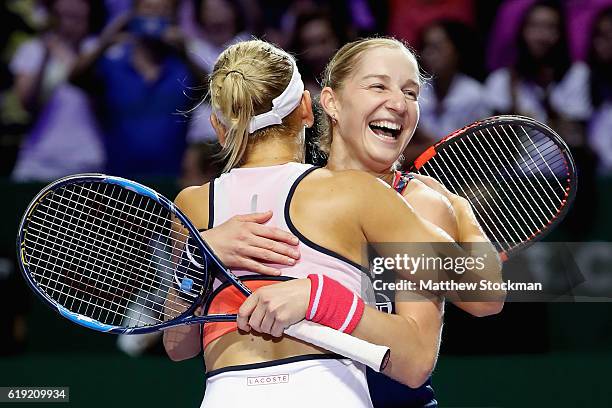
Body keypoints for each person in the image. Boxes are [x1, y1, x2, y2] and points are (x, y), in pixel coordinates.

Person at [162, 39, 503, 408]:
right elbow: (179, 344)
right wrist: (199, 259)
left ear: (219, 127)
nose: (399, 103)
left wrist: (201, 257)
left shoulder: (192, 206)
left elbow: (177, 345)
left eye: (410, 92)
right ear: (315, 106)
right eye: (378, 85)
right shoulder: (356, 194)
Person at [71, 0, 204, 179]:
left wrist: (185, 52)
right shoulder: (113, 64)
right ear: (133, 15)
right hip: (120, 182)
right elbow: (75, 78)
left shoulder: (183, 67)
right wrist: (106, 40)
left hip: (172, 179)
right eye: (149, 9)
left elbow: (214, 92)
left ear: (173, 18)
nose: (155, 15)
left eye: (163, 10)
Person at [10, 0, 107, 181]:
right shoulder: (32, 50)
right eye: (67, 17)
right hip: (37, 162)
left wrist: (63, 54)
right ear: (53, 17)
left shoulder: (97, 50)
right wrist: (45, 55)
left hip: (87, 160)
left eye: (79, 18)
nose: (72, 24)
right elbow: (26, 102)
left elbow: (102, 98)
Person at [406, 20, 490, 163]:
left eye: (437, 48)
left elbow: (474, 148)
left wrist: (429, 146)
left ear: (457, 51)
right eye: (426, 47)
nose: (429, 54)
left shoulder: (474, 94)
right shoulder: (416, 90)